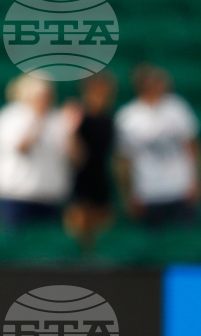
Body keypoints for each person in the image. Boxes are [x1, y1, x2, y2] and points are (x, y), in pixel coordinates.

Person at [0, 75, 82, 232]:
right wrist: (38, 119)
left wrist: (72, 131)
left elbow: (76, 158)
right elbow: (22, 148)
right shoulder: (12, 116)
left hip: (50, 199)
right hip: (16, 198)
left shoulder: (57, 119)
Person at [115, 64, 200, 227]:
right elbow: (125, 160)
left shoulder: (178, 108)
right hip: (148, 192)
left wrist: (195, 182)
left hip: (179, 189)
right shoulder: (127, 116)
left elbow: (191, 146)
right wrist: (129, 194)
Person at [65, 72, 118, 253]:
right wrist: (71, 129)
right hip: (80, 182)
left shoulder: (111, 121)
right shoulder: (78, 119)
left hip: (101, 181)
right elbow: (75, 156)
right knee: (79, 233)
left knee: (103, 236)